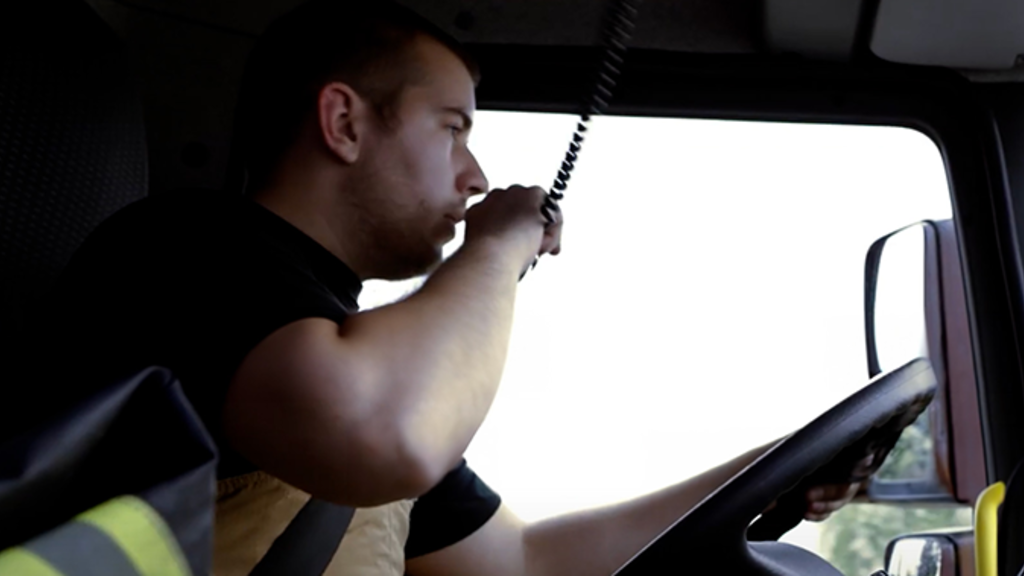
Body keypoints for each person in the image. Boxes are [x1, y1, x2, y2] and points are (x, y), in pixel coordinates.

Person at [32, 1, 863, 573]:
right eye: (454, 130)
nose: (475, 176)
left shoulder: (355, 352)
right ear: (344, 123)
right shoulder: (185, 252)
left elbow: (524, 563)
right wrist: (498, 248)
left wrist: (772, 466)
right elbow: (384, 431)